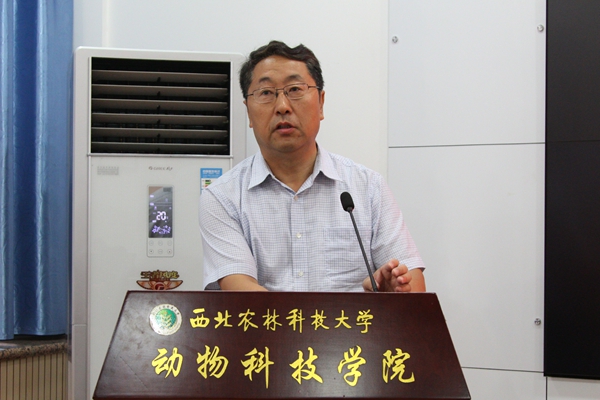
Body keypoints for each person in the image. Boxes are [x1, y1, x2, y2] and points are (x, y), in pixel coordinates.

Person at [199, 40, 425, 293]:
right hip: (268, 322)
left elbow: (412, 283)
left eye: (295, 89)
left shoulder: (368, 187)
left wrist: (393, 294)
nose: (282, 106)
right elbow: (240, 292)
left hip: (353, 323)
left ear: (321, 103)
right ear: (248, 113)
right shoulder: (222, 197)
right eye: (266, 93)